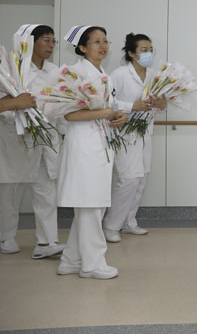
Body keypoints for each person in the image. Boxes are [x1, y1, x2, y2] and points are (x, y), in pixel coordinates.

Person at [57, 25, 128, 280]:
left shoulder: (103, 74)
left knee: (91, 206)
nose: (103, 45)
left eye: (105, 41)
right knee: (90, 206)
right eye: (96, 41)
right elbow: (68, 114)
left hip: (100, 143)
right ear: (82, 47)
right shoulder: (75, 74)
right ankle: (92, 264)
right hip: (84, 146)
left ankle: (71, 260)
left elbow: (108, 108)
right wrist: (105, 113)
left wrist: (116, 117)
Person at [0, 25, 65, 259]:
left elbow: (61, 103)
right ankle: (6, 236)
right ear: (30, 42)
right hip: (17, 137)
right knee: (11, 191)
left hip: (45, 137)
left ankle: (46, 242)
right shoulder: (11, 68)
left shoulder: (55, 71)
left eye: (53, 41)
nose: (51, 45)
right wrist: (18, 107)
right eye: (46, 40)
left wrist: (63, 132)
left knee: (45, 190)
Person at [102, 33, 167, 243]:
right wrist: (132, 106)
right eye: (143, 50)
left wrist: (162, 104)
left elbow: (161, 102)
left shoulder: (154, 75)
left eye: (151, 50)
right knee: (128, 180)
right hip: (124, 133)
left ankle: (129, 222)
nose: (149, 54)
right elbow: (107, 102)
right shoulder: (120, 74)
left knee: (141, 180)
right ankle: (111, 225)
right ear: (131, 53)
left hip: (145, 133)